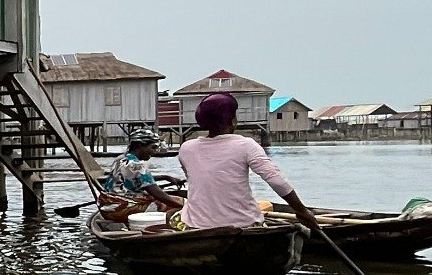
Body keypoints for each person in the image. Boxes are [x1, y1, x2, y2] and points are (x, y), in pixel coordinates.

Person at [174, 93, 321, 232]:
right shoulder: (246, 145)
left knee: (174, 217)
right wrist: (301, 211)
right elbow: (277, 181)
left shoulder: (186, 148)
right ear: (232, 121)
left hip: (197, 226)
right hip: (244, 225)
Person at [101, 128, 185, 215]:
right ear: (141, 145)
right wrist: (183, 208)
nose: (155, 151)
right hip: (122, 209)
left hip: (108, 207)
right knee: (181, 202)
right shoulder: (137, 165)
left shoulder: (121, 158)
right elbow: (157, 194)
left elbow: (136, 178)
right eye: (153, 147)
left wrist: (165, 177)